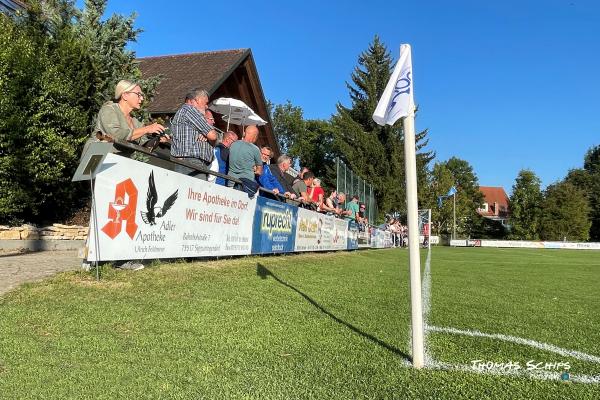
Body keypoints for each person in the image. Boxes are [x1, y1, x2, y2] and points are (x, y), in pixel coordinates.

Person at [93, 80, 167, 145]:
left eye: (142, 95)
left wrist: (157, 140)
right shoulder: (109, 109)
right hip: (98, 157)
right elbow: (115, 135)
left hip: (120, 159)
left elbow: (143, 144)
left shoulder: (136, 121)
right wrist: (147, 129)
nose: (142, 98)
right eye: (138, 94)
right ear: (125, 95)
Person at [170, 88, 218, 180]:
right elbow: (213, 135)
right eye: (205, 103)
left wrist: (206, 136)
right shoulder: (189, 110)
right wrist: (208, 135)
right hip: (191, 163)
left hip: (193, 163)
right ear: (195, 100)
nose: (207, 106)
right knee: (192, 192)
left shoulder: (189, 112)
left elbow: (213, 138)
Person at [228, 125, 263, 193]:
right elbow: (259, 171)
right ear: (255, 136)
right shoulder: (255, 149)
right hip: (245, 185)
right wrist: (256, 170)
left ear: (244, 133)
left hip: (230, 182)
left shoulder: (233, 144)